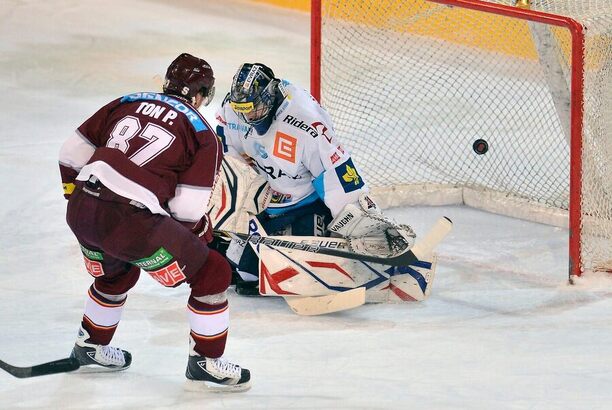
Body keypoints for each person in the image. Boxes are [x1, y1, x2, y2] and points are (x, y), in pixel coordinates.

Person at [58, 53, 250, 391]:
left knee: (118, 269)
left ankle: (91, 346)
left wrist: (86, 200)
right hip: (130, 221)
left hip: (81, 209)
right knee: (213, 272)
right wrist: (197, 237)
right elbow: (188, 210)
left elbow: (70, 154)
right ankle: (206, 361)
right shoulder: (203, 133)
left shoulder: (127, 100)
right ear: (202, 94)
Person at [213, 63, 414, 295]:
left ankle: (330, 236)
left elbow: (338, 176)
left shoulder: (305, 123)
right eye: (242, 110)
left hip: (307, 205)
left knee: (298, 270)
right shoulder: (232, 109)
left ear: (269, 95)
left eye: (253, 109)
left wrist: (367, 226)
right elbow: (227, 158)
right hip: (264, 204)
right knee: (247, 276)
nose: (248, 116)